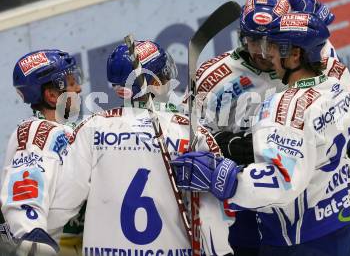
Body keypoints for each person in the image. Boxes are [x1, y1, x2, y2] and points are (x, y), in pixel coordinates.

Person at [173, 8, 350, 255]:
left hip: (295, 240)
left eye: (275, 47)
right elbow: (347, 124)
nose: (267, 54)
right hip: (339, 226)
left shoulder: (284, 106)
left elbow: (282, 182)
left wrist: (225, 179)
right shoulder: (336, 87)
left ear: (295, 55)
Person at [29, 39, 220, 255]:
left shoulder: (92, 128)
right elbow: (220, 212)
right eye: (165, 75)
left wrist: (33, 236)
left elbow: (63, 204)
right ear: (156, 82)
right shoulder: (190, 132)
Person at [195, 0, 336, 256]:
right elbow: (192, 136)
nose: (261, 51)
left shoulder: (303, 61)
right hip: (242, 196)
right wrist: (227, 146)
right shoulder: (213, 77)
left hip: (301, 199)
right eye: (252, 41)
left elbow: (331, 105)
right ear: (241, 37)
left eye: (268, 41)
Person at [0, 49, 83, 255]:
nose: (79, 88)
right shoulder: (36, 131)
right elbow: (25, 187)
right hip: (55, 245)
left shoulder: (64, 130)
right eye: (72, 83)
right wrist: (31, 236)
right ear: (52, 95)